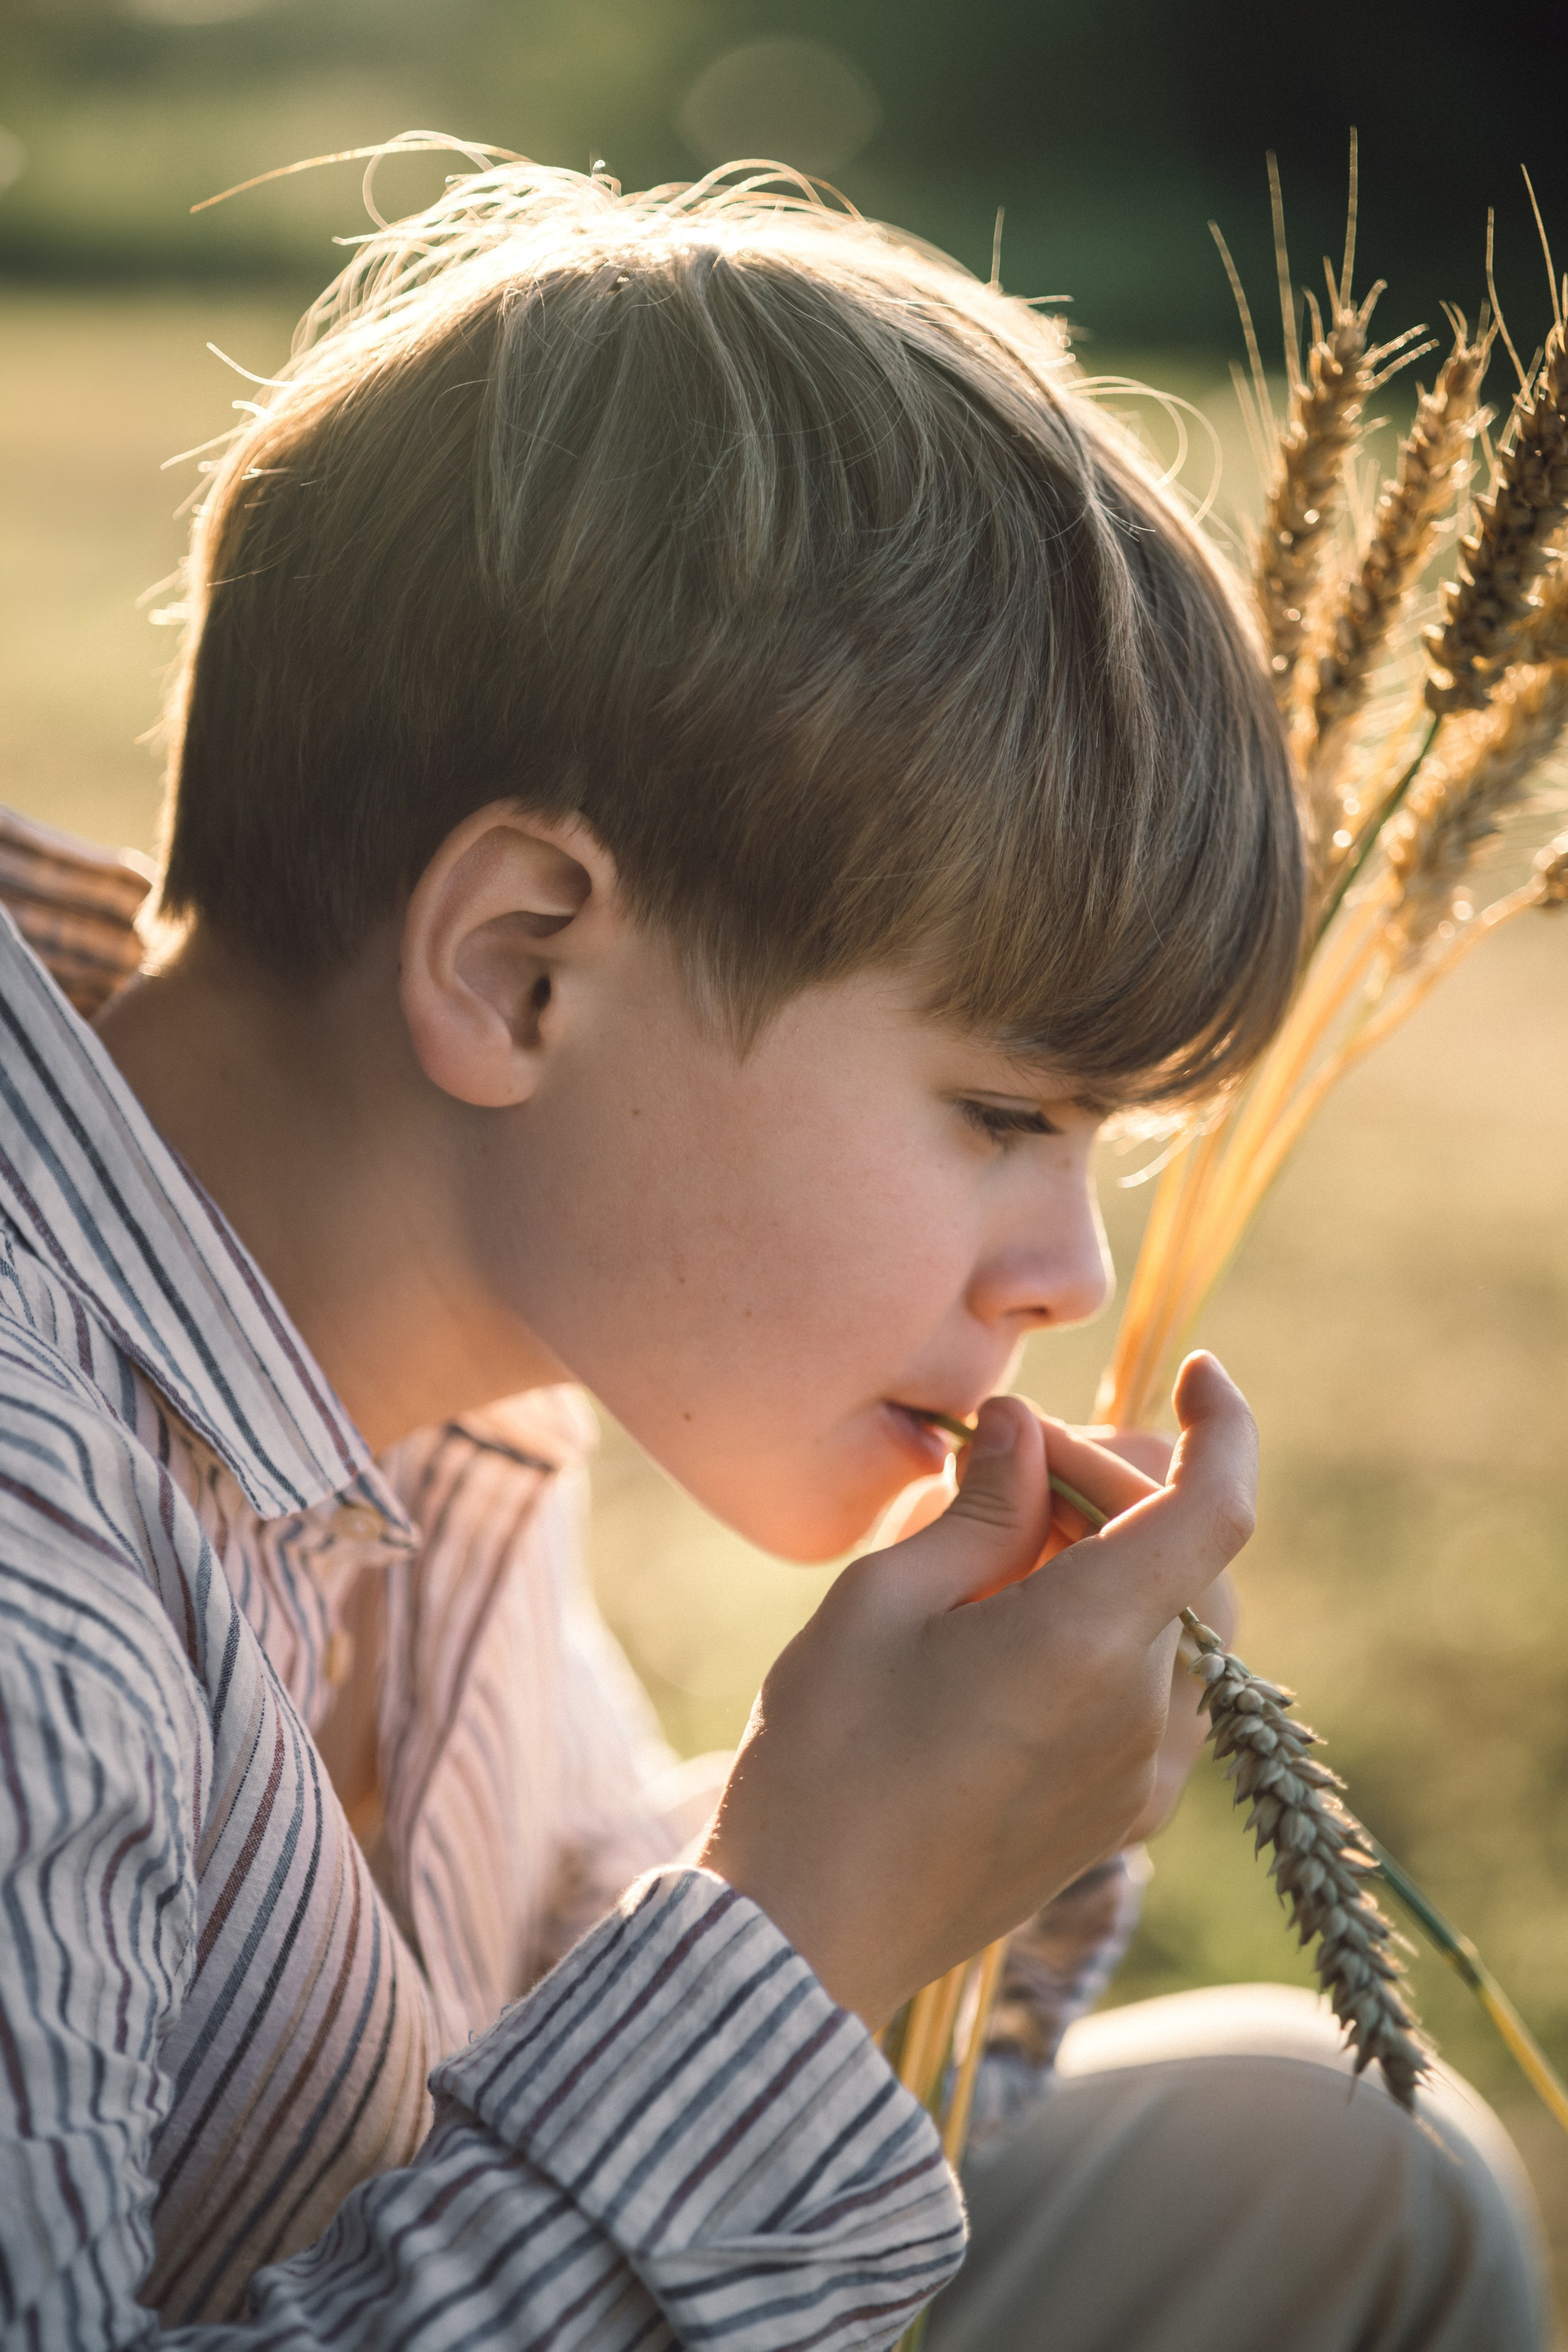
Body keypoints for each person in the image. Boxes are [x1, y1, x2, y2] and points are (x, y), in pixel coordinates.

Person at [0, 157, 1546, 2351]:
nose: (1069, 1280)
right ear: (526, 970)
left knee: (1329, 2174)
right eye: (1002, 1115)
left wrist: (923, 1832)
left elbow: (516, 2013)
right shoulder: (35, 1538)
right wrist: (811, 1929)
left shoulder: (445, 1360)